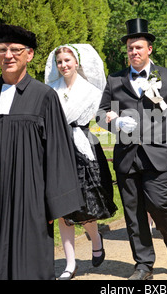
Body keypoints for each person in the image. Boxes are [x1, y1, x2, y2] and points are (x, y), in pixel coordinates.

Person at [0, 24, 83, 280]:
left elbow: (57, 152)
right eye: (2, 50)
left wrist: (55, 204)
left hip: (31, 198)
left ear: (30, 55)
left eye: (15, 50)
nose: (8, 55)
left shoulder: (44, 97)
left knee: (31, 262)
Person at [96, 18, 167, 280]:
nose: (133, 52)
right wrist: (115, 123)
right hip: (127, 157)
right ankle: (144, 264)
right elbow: (101, 114)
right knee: (133, 213)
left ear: (149, 49)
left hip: (159, 155)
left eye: (138, 47)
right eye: (129, 48)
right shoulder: (115, 79)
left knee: (160, 204)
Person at [44, 44, 117, 279]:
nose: (64, 65)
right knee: (62, 207)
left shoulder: (92, 91)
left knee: (86, 204)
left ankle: (95, 238)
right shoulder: (50, 91)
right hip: (58, 150)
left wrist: (112, 117)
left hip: (84, 148)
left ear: (77, 62)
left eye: (67, 60)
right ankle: (70, 264)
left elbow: (104, 118)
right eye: (60, 62)